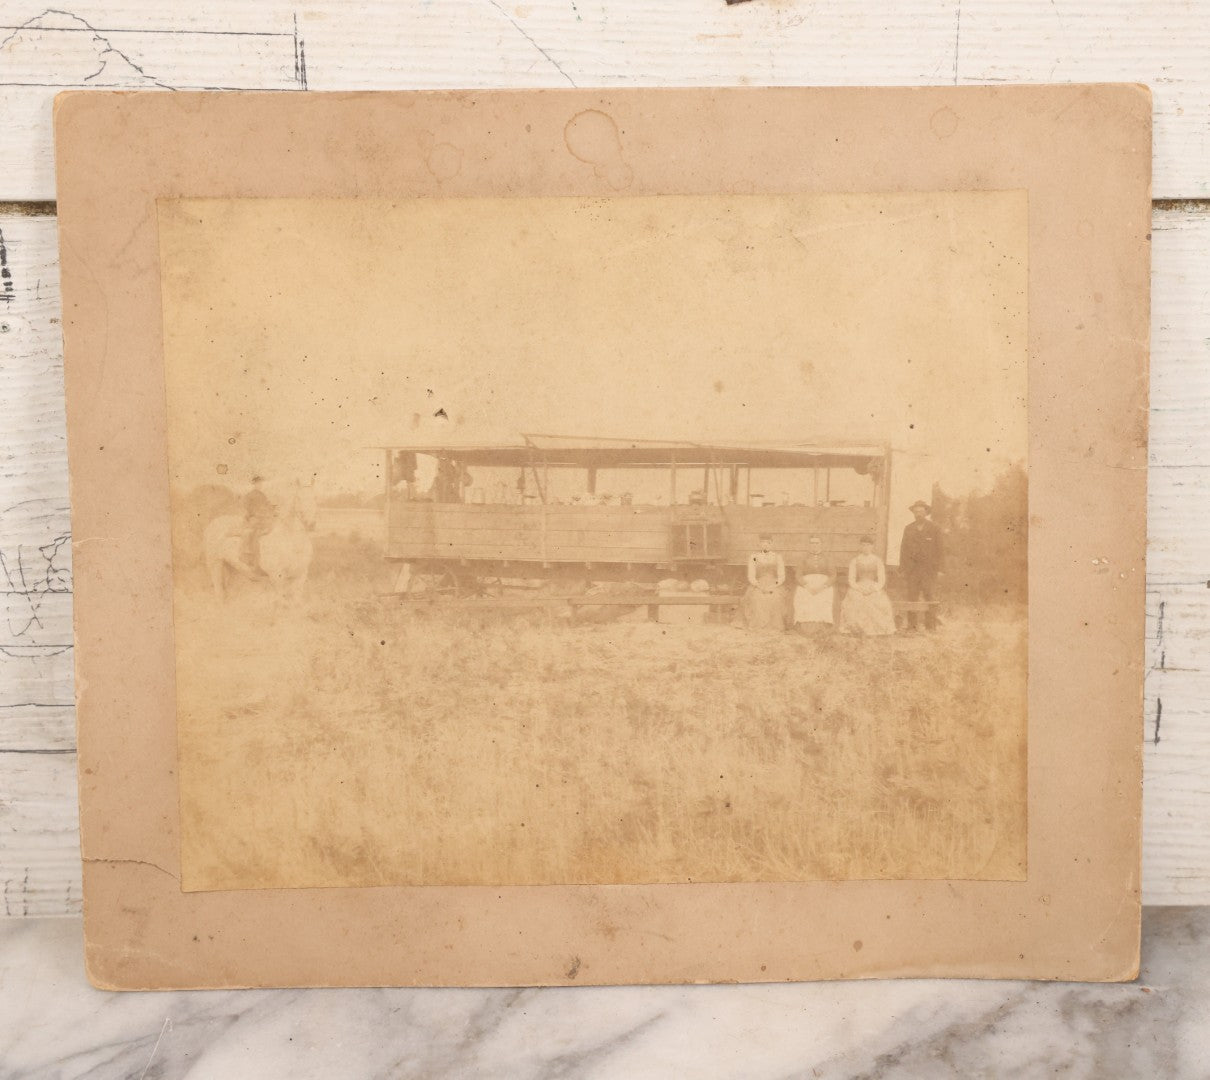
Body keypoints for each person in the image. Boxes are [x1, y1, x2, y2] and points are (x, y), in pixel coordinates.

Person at [900, 499, 943, 630]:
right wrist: (903, 568)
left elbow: (940, 550)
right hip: (912, 570)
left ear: (926, 512)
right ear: (913, 513)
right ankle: (912, 626)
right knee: (912, 596)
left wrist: (940, 569)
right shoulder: (909, 529)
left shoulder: (934, 528)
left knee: (929, 596)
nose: (918, 514)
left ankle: (930, 626)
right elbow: (903, 550)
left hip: (928, 570)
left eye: (921, 511)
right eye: (916, 511)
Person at [839, 535, 896, 636]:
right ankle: (856, 629)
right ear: (860, 547)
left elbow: (881, 579)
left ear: (872, 546)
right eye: (863, 545)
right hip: (859, 586)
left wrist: (873, 589)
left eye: (868, 545)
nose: (866, 548)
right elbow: (851, 579)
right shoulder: (855, 561)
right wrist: (858, 588)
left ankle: (876, 630)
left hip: (872, 586)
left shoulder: (877, 561)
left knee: (877, 601)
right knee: (855, 599)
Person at [736, 533, 787, 630]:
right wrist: (758, 585)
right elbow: (751, 575)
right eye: (763, 543)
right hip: (759, 584)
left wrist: (774, 585)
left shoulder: (777, 557)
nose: (765, 545)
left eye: (768, 543)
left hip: (774, 584)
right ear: (759, 544)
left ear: (772, 544)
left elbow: (781, 576)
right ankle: (758, 625)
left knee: (776, 598)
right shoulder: (754, 557)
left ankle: (774, 625)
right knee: (756, 598)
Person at [793, 536, 835, 632]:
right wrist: (806, 586)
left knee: (825, 595)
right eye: (812, 543)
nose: (814, 545)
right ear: (809, 545)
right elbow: (798, 574)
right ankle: (805, 627)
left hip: (823, 585)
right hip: (807, 584)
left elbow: (833, 575)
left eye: (817, 543)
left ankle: (823, 627)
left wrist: (824, 586)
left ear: (821, 545)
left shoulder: (827, 558)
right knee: (801, 593)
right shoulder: (803, 558)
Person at [243, 475, 275, 574]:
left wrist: (273, 509)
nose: (260, 485)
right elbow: (246, 508)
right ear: (254, 484)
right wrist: (254, 514)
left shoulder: (262, 495)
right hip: (254, 519)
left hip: (263, 518)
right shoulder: (249, 495)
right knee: (254, 535)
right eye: (258, 483)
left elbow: (267, 505)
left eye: (261, 483)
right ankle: (251, 557)